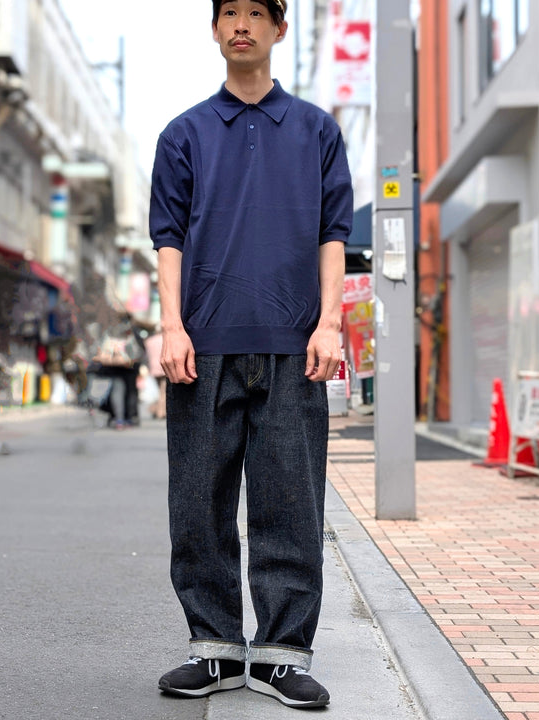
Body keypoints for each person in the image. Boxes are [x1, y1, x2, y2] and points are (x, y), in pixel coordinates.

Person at [149, 0, 352, 709]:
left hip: (294, 344)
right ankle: (213, 647)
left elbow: (333, 232)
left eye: (256, 13)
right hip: (203, 344)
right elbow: (168, 238)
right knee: (198, 503)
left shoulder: (317, 130)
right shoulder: (184, 134)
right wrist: (171, 326)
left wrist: (330, 323)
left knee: (290, 504)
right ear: (214, 29)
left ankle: (280, 656)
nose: (241, 24)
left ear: (278, 28)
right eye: (228, 12)